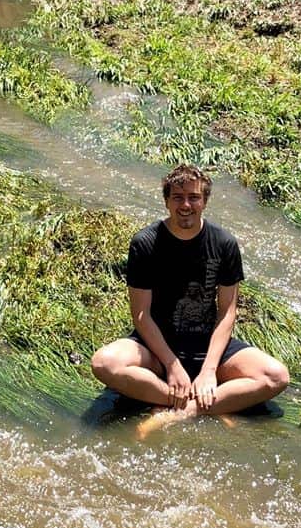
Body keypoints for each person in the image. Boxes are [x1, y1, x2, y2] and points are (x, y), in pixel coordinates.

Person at [91, 163, 289, 434]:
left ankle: (182, 410)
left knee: (276, 376)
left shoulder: (224, 243)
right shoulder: (145, 243)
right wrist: (171, 365)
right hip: (156, 349)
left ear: (205, 201)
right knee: (104, 363)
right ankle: (192, 400)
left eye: (194, 197)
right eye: (178, 197)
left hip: (208, 346)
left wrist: (209, 370)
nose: (186, 205)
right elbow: (141, 315)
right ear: (166, 201)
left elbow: (227, 312)